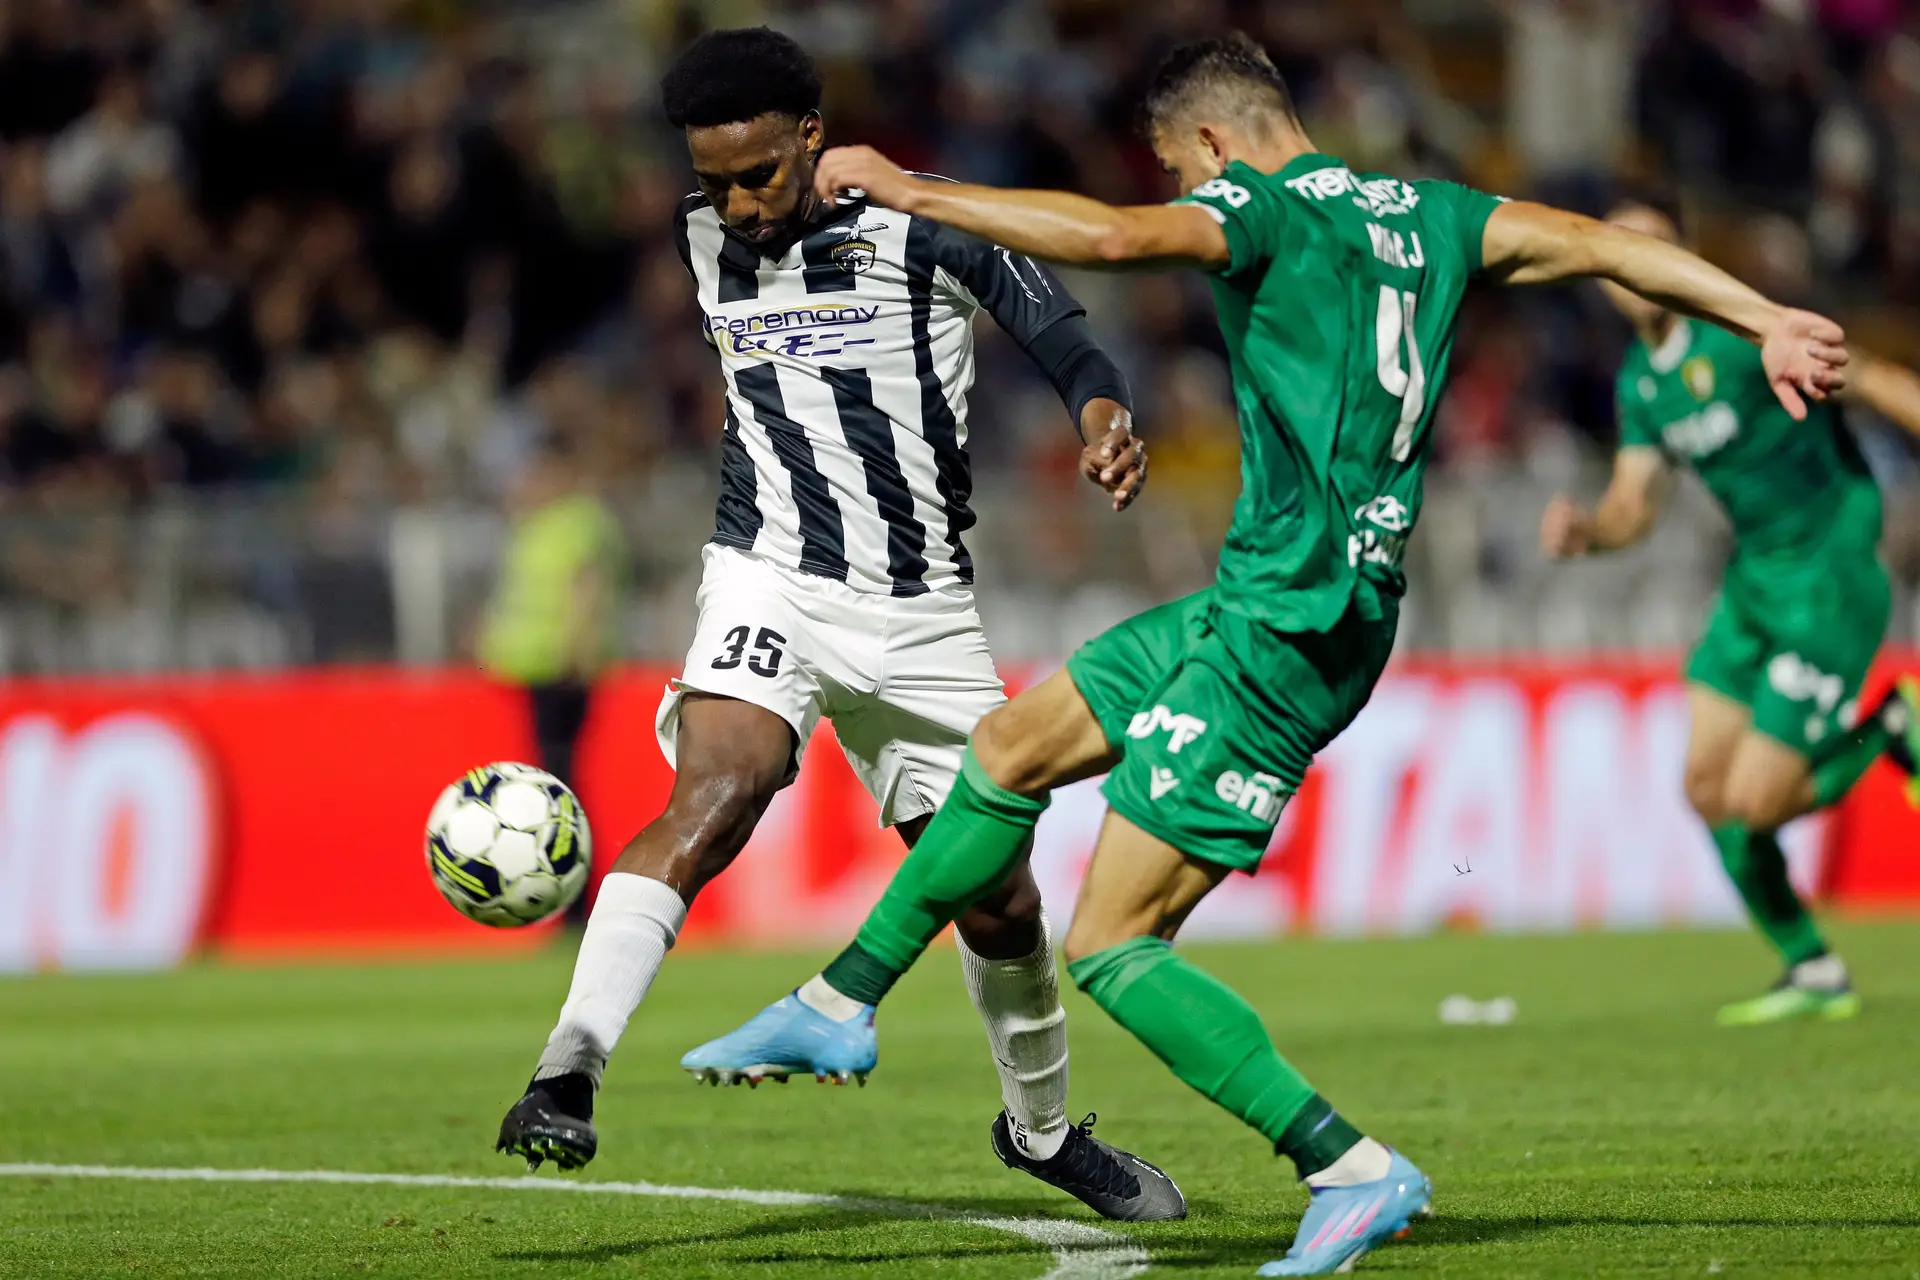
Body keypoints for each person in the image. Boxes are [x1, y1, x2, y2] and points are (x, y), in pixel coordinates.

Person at [683, 34, 1852, 1276]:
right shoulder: (1435, 214)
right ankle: (839, 1001)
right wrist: (1768, 316)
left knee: (1113, 942)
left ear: (1212, 143)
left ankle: (1347, 1163)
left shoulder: (1259, 206)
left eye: (1182, 173)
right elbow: (1608, 246)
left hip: (1297, 625)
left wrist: (914, 189)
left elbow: (1114, 238)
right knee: (1011, 744)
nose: (1190, 195)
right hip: (1261, 596)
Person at [494, 27, 1185, 1224]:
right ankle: (569, 1065)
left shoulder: (928, 217)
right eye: (713, 182)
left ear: (813, 136)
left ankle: (1041, 1132)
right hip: (770, 577)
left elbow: (1066, 338)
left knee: (999, 898)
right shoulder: (699, 234)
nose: (737, 205)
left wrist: (1104, 419)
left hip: (923, 611)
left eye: (759, 173)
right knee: (722, 784)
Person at [1539, 195, 1920, 1026]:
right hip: (1754, 583)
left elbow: (1871, 376)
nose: (1634, 266)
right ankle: (1812, 967)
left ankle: (1891, 726)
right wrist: (1588, 532)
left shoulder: (1746, 333)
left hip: (1826, 572)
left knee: (1760, 801)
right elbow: (1634, 504)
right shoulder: (1642, 382)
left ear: (1682, 255)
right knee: (1706, 785)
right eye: (1619, 250)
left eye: (1652, 245)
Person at [476, 435, 625, 832]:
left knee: (560, 771)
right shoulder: (535, 524)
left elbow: (588, 586)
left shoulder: (579, 521)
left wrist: (579, 647)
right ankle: (560, 849)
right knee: (549, 769)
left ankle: (570, 854)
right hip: (535, 667)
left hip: (563, 667)